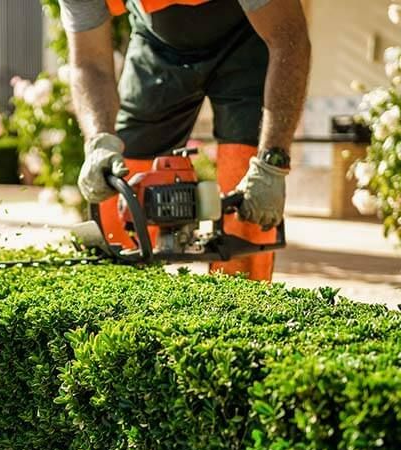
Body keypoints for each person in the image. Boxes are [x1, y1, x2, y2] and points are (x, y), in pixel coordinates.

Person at [60, 0, 311, 280]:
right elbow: (89, 63)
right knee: (117, 193)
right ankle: (121, 301)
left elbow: (289, 38)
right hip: (158, 43)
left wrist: (271, 162)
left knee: (248, 213)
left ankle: (240, 310)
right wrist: (98, 141)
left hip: (249, 35)